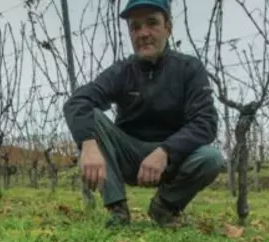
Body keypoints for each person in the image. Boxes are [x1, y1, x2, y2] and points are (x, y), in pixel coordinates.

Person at [62, 0, 224, 228]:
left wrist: (165, 151)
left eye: (152, 23)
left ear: (168, 27)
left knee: (211, 158)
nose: (143, 33)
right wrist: (88, 144)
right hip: (128, 156)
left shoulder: (189, 68)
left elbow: (206, 122)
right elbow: (77, 102)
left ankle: (165, 208)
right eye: (135, 27)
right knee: (92, 116)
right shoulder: (122, 71)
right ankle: (117, 210)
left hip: (172, 160)